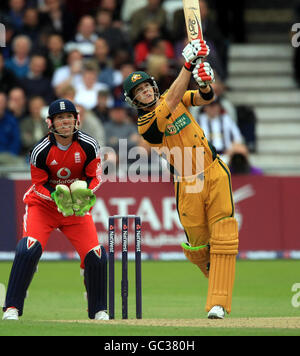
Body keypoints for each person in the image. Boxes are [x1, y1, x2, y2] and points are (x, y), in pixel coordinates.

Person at [123, 39, 239, 319]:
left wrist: (204, 82)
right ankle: (217, 282)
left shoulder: (171, 97)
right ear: (134, 100)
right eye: (138, 91)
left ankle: (218, 304)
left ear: (153, 85)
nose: (145, 92)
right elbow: (173, 99)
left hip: (213, 169)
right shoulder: (146, 125)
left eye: (146, 86)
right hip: (187, 182)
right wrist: (187, 65)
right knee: (199, 246)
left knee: (224, 236)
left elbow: (204, 99)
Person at [2, 98, 109, 321]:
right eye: (60, 118)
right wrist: (55, 196)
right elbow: (37, 184)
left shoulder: (89, 145)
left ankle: (98, 308)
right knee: (27, 250)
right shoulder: (40, 150)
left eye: (69, 117)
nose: (65, 122)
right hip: (43, 207)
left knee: (96, 255)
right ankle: (12, 307)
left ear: (76, 119)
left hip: (75, 209)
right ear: (50, 123)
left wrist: (86, 193)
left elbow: (96, 176)